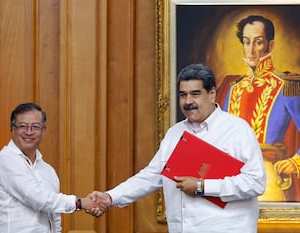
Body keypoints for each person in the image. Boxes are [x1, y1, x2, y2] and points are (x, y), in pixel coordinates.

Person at [89, 64, 266, 233]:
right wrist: (110, 197)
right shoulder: (175, 132)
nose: (188, 101)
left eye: (195, 94)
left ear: (212, 94)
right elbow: (151, 176)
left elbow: (255, 183)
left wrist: (201, 186)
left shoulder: (237, 129)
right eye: (183, 95)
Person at [216, 15, 300, 201]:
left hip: (266, 175)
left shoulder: (288, 86)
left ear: (271, 45)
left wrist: (297, 161)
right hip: (228, 175)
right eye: (246, 42)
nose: (251, 50)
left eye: (258, 42)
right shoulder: (232, 87)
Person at [0, 103, 101, 233]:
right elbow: (38, 198)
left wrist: (86, 204)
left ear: (43, 130)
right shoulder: (4, 161)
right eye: (23, 126)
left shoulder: (48, 170)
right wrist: (79, 203)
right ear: (12, 128)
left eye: (35, 127)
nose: (29, 132)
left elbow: (54, 216)